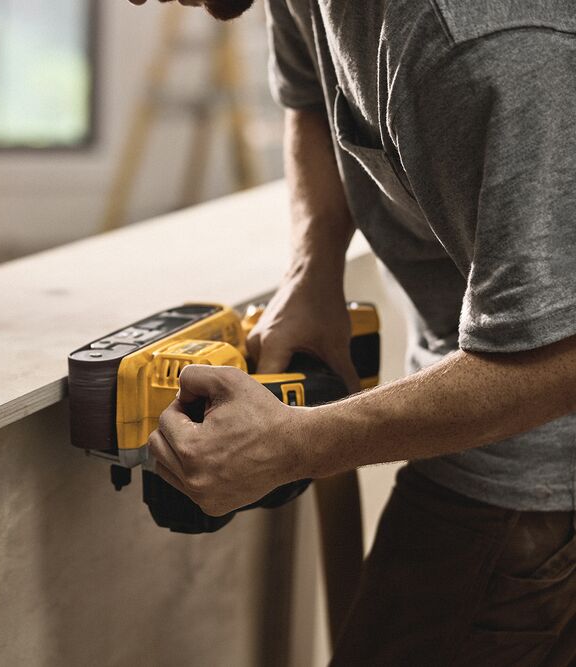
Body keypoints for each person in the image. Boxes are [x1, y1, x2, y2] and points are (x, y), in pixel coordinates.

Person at [128, 0, 576, 664]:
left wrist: (296, 445)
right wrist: (313, 270)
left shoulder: (490, 46)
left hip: (540, 468)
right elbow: (310, 94)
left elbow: (558, 357)